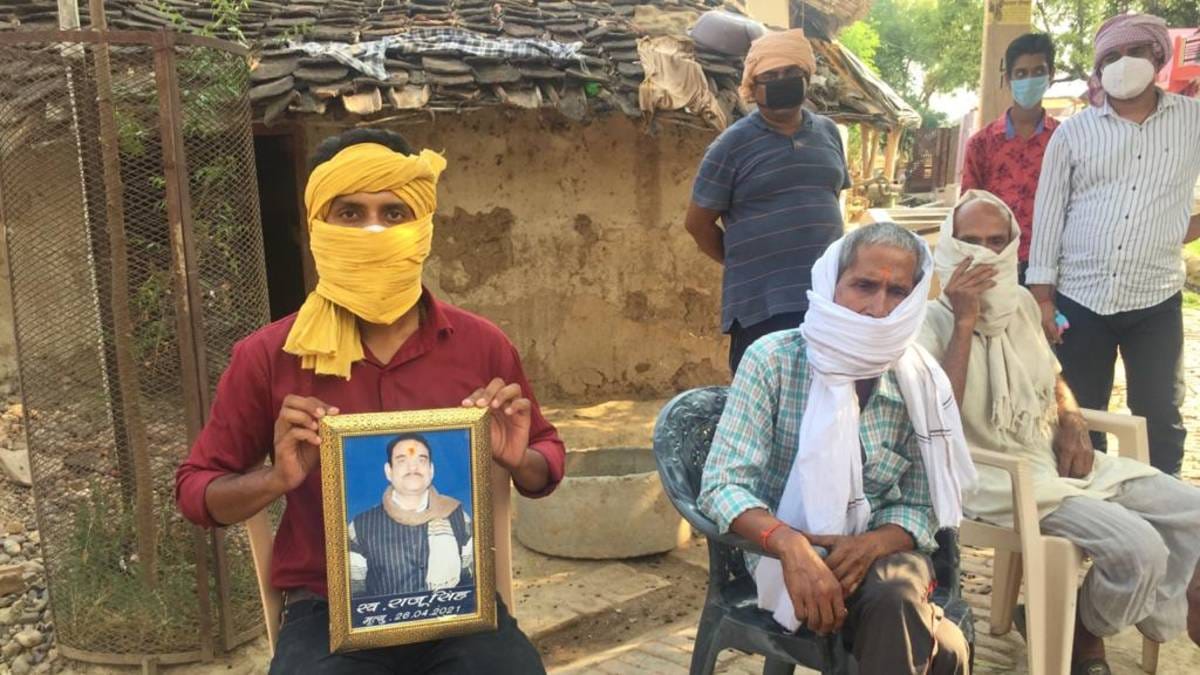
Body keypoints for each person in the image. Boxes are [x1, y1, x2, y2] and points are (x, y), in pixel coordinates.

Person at [174, 128, 565, 674]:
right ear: (317, 227)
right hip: (328, 610)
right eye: (350, 214)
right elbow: (196, 491)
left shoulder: (481, 345)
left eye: (395, 212)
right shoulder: (267, 357)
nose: (374, 230)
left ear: (423, 226)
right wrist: (275, 480)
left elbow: (545, 459)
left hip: (456, 602)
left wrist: (517, 455)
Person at [920, 190, 1200, 675]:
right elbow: (937, 415)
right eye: (969, 241)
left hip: (1047, 452)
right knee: (1139, 549)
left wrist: (1072, 419)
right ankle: (1086, 637)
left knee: (1193, 512)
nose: (984, 252)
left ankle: (1095, 618)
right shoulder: (928, 319)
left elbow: (1052, 378)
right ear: (948, 245)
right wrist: (965, 321)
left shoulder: (1024, 304)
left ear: (1012, 246)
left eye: (996, 240)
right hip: (990, 475)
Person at [698, 222, 975, 674]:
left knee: (894, 593)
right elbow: (723, 484)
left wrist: (872, 544)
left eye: (898, 292)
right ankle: (940, 641)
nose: (877, 307)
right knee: (944, 651)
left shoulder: (917, 378)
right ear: (832, 282)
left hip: (885, 555)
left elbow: (923, 503)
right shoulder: (773, 360)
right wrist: (790, 545)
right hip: (779, 552)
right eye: (864, 285)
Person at [1026, 13, 1200, 476]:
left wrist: (1179, 228)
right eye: (1112, 57)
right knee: (1080, 417)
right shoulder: (1074, 133)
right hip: (1081, 300)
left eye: (1136, 53)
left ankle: (1164, 521)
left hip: (1155, 297)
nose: (1125, 64)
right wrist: (1043, 297)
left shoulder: (1192, 122)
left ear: (1157, 57)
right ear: (1099, 69)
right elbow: (1047, 217)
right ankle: (1093, 516)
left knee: (1160, 417)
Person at [685, 28, 850, 373]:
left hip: (826, 301)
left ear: (807, 77)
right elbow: (697, 224)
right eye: (770, 76)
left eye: (791, 74)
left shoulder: (828, 133)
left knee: (827, 402)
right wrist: (747, 263)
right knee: (764, 409)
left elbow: (829, 199)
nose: (782, 81)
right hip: (761, 307)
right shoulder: (731, 145)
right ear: (752, 87)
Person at [959, 33, 1059, 284]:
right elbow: (968, 211)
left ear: (1051, 75)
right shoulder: (982, 144)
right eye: (1021, 73)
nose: (1029, 80)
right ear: (1008, 79)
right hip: (994, 264)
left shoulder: (1065, 140)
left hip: (1048, 265)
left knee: (1038, 324)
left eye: (1038, 72)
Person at [349, 434, 473, 598]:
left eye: (421, 460)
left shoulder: (458, 518)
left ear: (431, 470)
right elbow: (355, 595)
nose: (413, 467)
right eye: (402, 460)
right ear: (388, 471)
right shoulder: (360, 527)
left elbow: (470, 581)